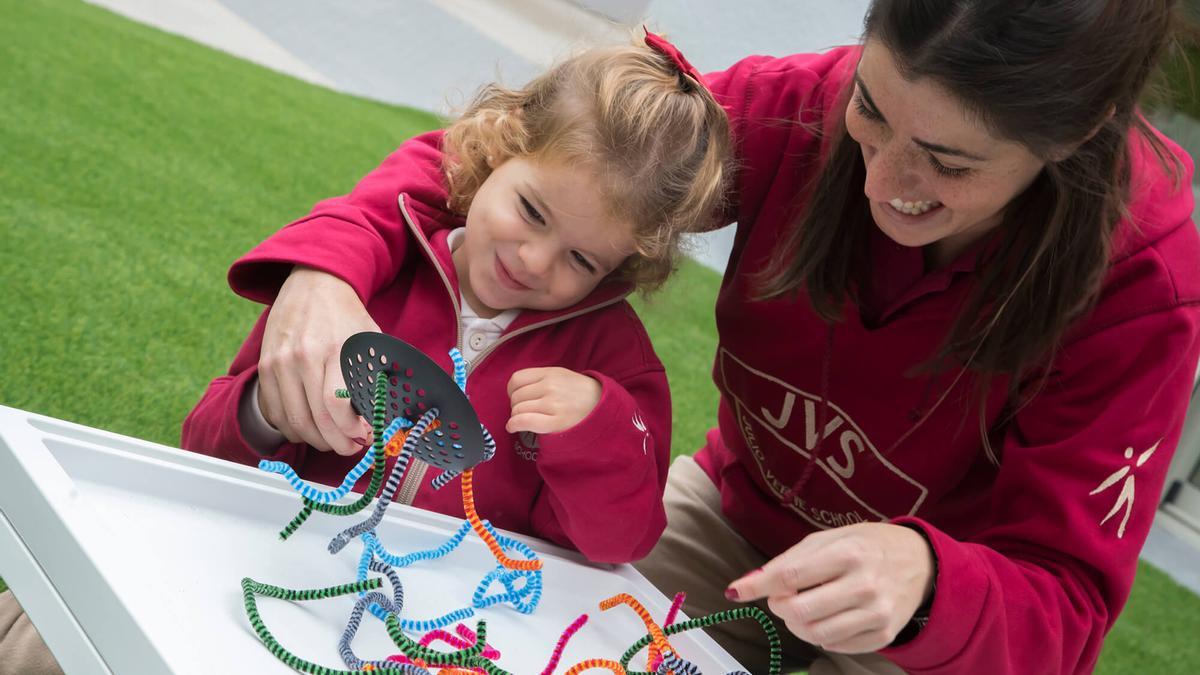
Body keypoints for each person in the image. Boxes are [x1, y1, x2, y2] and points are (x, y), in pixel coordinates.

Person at [232, 2, 1200, 673]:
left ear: (1082, 133)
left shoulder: (1145, 282)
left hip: (935, 631)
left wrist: (928, 582)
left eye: (945, 163)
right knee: (521, 635)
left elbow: (1063, 604)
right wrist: (325, 269)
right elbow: (528, 154)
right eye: (869, 110)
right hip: (740, 511)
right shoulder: (788, 108)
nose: (880, 182)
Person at [0, 34, 731, 675]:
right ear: (500, 148)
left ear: (625, 264)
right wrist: (264, 408)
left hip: (425, 630)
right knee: (54, 635)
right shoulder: (365, 277)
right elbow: (205, 440)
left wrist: (598, 431)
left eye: (580, 258)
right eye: (531, 210)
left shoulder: (612, 366)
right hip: (259, 571)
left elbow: (620, 540)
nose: (534, 260)